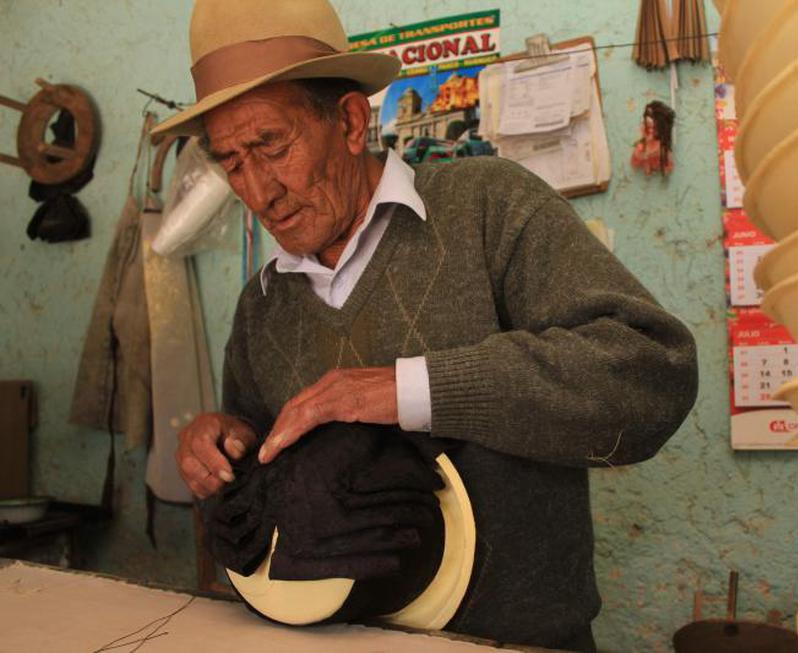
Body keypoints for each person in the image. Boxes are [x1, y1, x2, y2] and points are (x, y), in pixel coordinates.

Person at [157, 1, 698, 650]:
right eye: (232, 162)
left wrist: (410, 389)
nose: (257, 191)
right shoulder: (262, 306)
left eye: (271, 146)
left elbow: (651, 373)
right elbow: (263, 485)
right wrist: (226, 445)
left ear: (351, 121)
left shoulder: (488, 208)